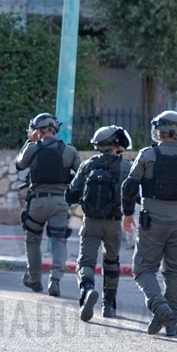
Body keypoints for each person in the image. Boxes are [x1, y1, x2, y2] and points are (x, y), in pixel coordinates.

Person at [122, 110, 177, 336]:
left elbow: (128, 188)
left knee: (143, 269)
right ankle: (172, 325)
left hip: (151, 223)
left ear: (159, 131)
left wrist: (127, 213)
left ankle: (159, 307)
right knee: (173, 272)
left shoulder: (146, 155)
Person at [65, 125, 133, 321]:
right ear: (114, 144)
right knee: (111, 262)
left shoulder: (87, 165)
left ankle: (87, 291)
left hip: (91, 222)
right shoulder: (126, 167)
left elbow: (71, 194)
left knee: (85, 262)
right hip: (114, 223)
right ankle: (108, 306)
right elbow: (135, 194)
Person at [15, 113, 81, 297]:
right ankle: (55, 280)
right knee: (59, 240)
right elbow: (81, 173)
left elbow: (19, 164)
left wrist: (29, 142)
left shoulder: (33, 149)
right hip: (60, 201)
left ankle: (35, 279)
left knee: (33, 239)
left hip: (37, 201)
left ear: (38, 130)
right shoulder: (69, 150)